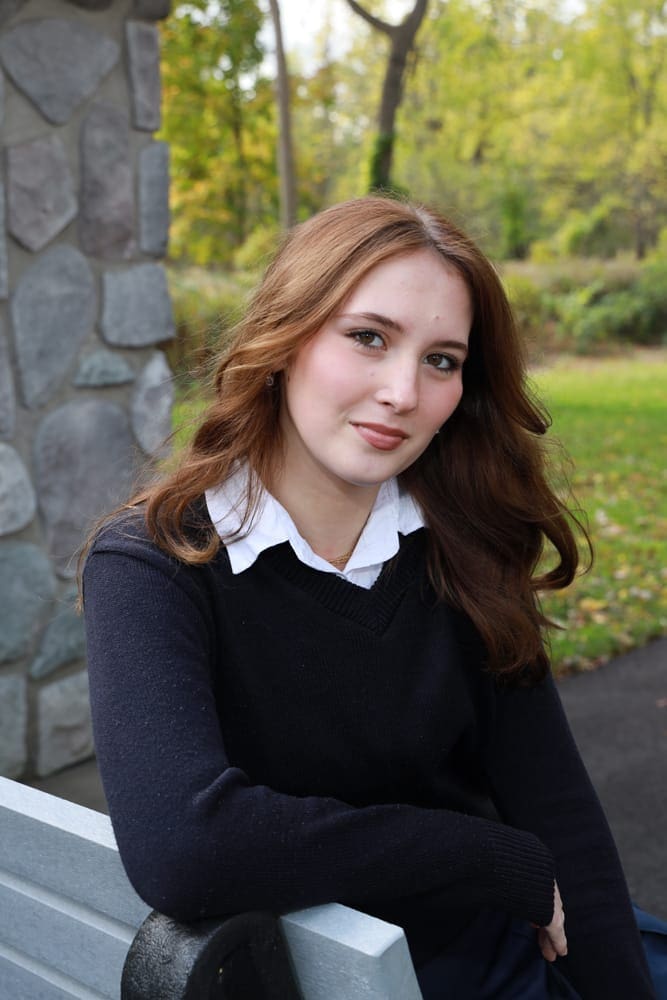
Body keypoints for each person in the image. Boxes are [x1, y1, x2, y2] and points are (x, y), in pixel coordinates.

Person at [82, 196, 658, 999]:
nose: (401, 391)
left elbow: (562, 821)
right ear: (284, 338)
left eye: (442, 360)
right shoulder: (156, 564)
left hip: (495, 967)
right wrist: (482, 855)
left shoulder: (463, 548)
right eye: (368, 337)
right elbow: (187, 847)